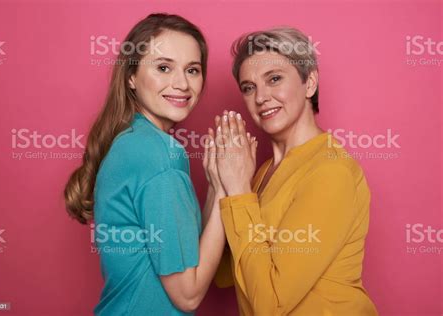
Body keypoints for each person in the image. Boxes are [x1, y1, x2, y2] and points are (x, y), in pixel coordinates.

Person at [64, 13, 227, 315]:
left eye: (192, 70)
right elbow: (188, 294)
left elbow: (185, 252)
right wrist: (227, 191)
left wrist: (218, 183)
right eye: (163, 67)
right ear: (131, 76)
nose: (181, 84)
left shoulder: (133, 142)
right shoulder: (157, 154)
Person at [212, 27, 378, 315]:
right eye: (249, 87)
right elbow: (226, 273)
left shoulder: (330, 170)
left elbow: (270, 303)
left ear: (310, 82)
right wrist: (219, 181)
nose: (261, 97)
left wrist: (238, 189)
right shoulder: (262, 171)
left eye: (274, 79)